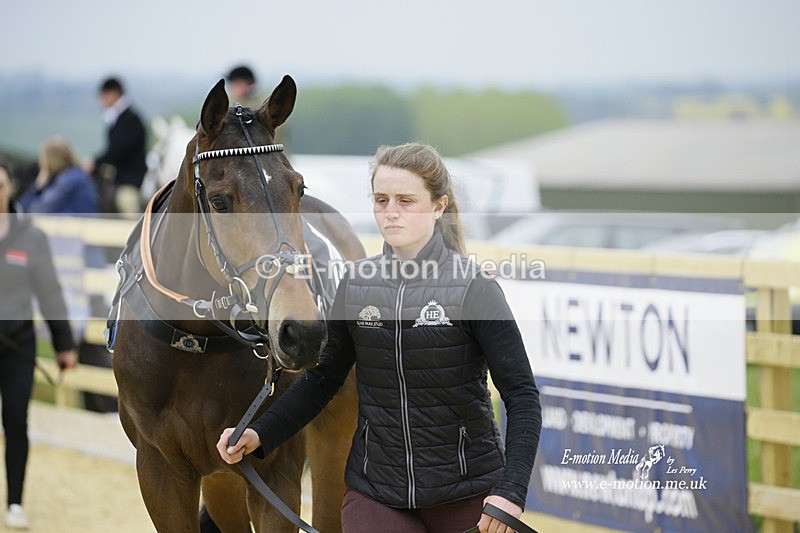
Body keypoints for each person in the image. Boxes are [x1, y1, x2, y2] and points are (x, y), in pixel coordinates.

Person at [217, 142, 542, 533]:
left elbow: (521, 393)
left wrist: (511, 491)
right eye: (381, 199)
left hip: (469, 492)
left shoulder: (475, 288)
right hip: (376, 493)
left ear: (438, 206)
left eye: (406, 200)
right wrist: (260, 432)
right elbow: (322, 380)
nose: (391, 212)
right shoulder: (355, 286)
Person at [0, 162, 77, 529]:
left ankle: (15, 501)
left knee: (16, 421)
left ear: (10, 187)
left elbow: (49, 291)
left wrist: (64, 344)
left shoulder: (31, 237)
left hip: (17, 345)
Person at [85, 76, 147, 218]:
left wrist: (95, 162)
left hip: (131, 179)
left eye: (103, 97)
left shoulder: (130, 119)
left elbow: (118, 150)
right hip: (119, 174)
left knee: (126, 202)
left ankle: (137, 236)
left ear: (113, 94)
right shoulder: (121, 117)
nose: (102, 102)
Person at [19, 137, 99, 215]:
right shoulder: (69, 176)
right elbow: (21, 209)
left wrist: (37, 187)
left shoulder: (71, 179)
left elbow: (36, 210)